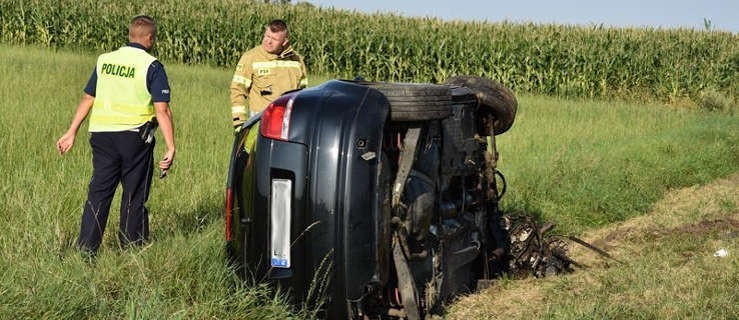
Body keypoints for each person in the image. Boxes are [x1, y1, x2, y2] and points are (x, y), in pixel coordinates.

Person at [56, 15, 175, 255]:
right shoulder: (152, 65)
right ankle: (132, 249)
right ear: (150, 38)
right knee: (134, 193)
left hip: (101, 135)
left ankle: (86, 250)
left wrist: (71, 132)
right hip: (134, 138)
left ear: (130, 34)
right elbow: (162, 110)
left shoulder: (105, 60)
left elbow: (88, 98)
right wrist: (171, 147)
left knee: (98, 193)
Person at [230, 19, 308, 130]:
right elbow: (237, 90)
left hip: (289, 124)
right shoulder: (251, 58)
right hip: (259, 124)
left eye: (274, 39)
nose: (268, 41)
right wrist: (239, 122)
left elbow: (303, 94)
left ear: (284, 42)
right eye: (267, 36)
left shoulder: (296, 61)